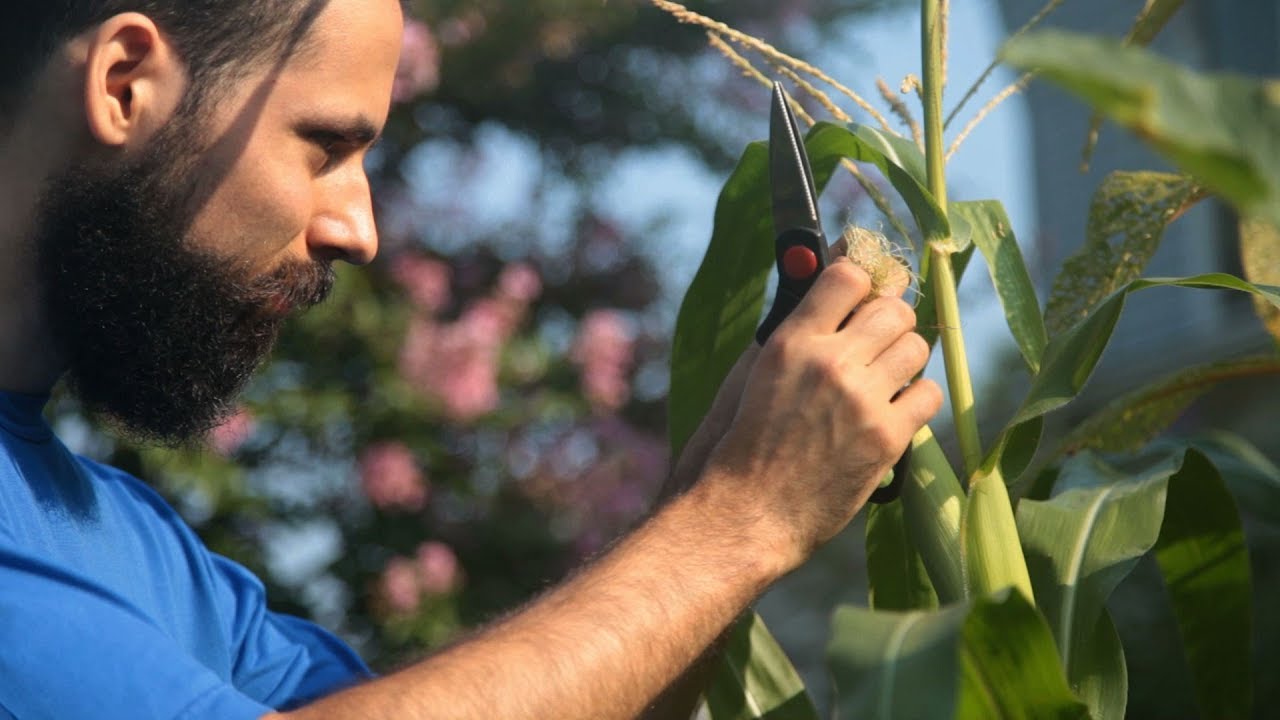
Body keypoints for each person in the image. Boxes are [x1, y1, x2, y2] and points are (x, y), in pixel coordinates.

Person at [0, 0, 942, 717]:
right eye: (324, 147)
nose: (358, 229)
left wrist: (729, 472)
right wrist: (745, 519)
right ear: (124, 84)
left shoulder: (124, 544)